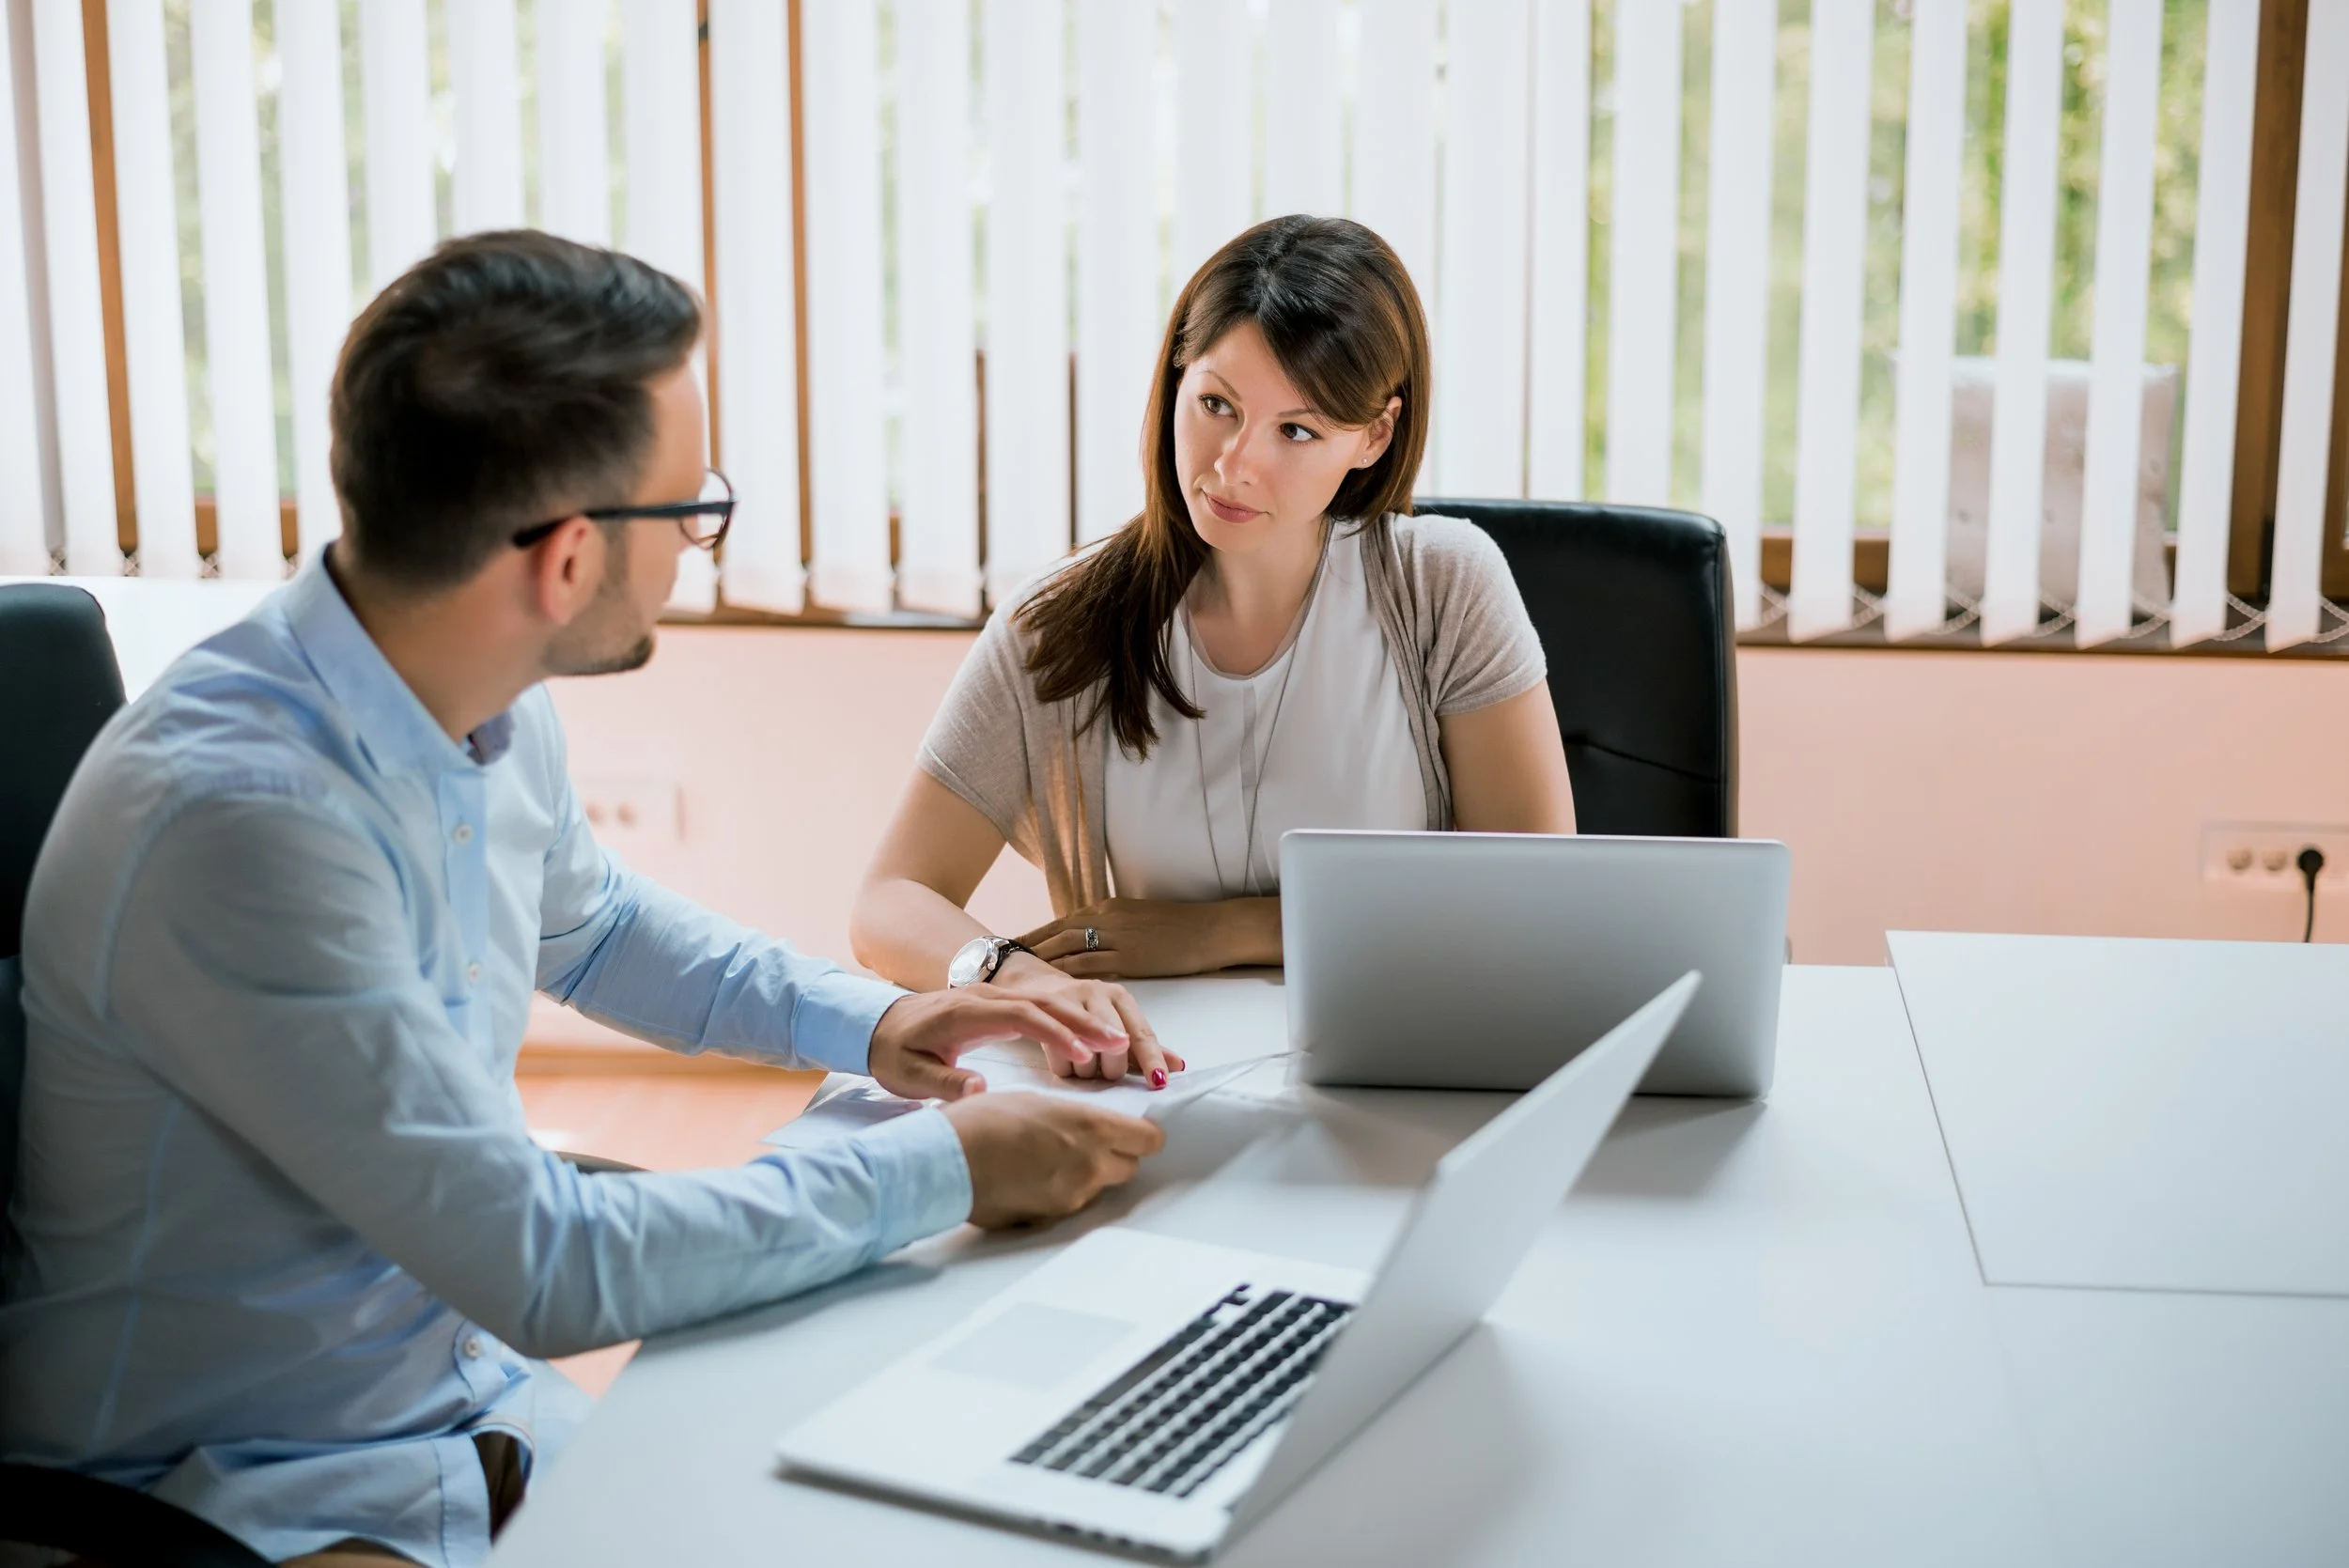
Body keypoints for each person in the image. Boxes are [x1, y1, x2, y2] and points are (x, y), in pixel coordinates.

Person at [0, 232, 1162, 1568]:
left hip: (456, 1403)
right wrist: (947, 1164)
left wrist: (883, 1017)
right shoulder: (238, 823)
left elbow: (594, 926)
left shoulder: (477, 695)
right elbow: (546, 1264)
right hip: (216, 1490)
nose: (700, 551)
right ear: (563, 560)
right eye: (691, 515)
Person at [852, 216, 1577, 1081]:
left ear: (1373, 436)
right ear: (1175, 382)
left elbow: (1530, 899)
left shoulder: (1444, 585)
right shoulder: (1060, 625)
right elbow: (887, 902)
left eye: (1297, 431)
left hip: (1400, 1071)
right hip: (1161, 1082)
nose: (1234, 464)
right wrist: (1014, 974)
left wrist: (1220, 930)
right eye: (1217, 405)